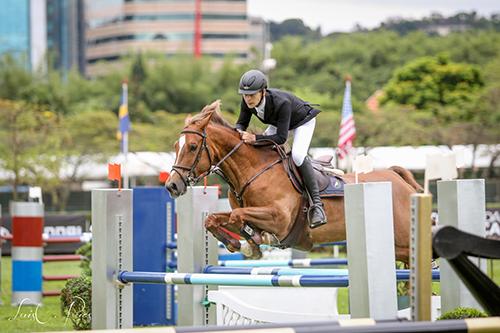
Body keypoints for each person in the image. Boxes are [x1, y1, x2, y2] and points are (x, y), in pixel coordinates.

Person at [235, 69, 327, 229]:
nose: (248, 99)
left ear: (263, 92)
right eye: (245, 95)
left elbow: (281, 139)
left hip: (302, 122)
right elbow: (241, 123)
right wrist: (237, 133)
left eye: (252, 95)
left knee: (297, 155)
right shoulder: (247, 102)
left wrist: (255, 137)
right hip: (279, 123)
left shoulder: (281, 102)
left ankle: (317, 206)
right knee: (259, 149)